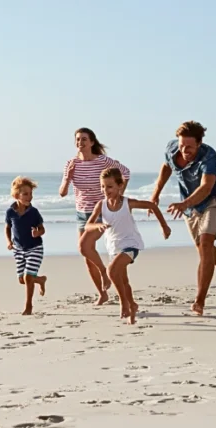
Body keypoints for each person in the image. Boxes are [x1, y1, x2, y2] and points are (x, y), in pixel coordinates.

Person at [149, 121, 216, 316]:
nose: (184, 150)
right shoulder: (172, 149)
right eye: (181, 145)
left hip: (211, 201)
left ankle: (200, 300)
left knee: (205, 245)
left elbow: (206, 187)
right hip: (189, 206)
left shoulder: (209, 156)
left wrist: (183, 204)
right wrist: (155, 194)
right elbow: (166, 167)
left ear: (199, 143)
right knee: (204, 250)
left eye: (189, 146)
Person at [83, 168, 171, 324]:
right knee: (123, 281)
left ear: (119, 186)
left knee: (111, 271)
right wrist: (97, 227)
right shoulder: (101, 205)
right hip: (114, 248)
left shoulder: (127, 203)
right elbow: (88, 225)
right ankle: (133, 305)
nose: (105, 190)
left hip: (130, 245)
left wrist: (164, 226)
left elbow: (152, 206)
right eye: (102, 186)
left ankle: (124, 304)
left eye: (109, 186)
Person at [59, 127, 130, 304]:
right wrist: (67, 178)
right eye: (77, 139)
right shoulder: (71, 164)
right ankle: (103, 293)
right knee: (87, 256)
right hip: (81, 213)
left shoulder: (102, 161)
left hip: (100, 211)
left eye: (84, 139)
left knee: (84, 247)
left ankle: (105, 273)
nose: (80, 143)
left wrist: (117, 196)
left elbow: (125, 172)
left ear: (91, 142)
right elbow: (62, 192)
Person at [4, 176, 48, 315]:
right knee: (22, 280)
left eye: (31, 194)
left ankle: (28, 307)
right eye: (26, 194)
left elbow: (42, 229)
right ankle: (40, 280)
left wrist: (37, 233)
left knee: (28, 277)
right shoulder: (10, 212)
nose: (30, 197)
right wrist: (9, 241)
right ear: (17, 195)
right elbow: (7, 227)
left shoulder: (33, 212)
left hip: (35, 248)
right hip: (18, 249)